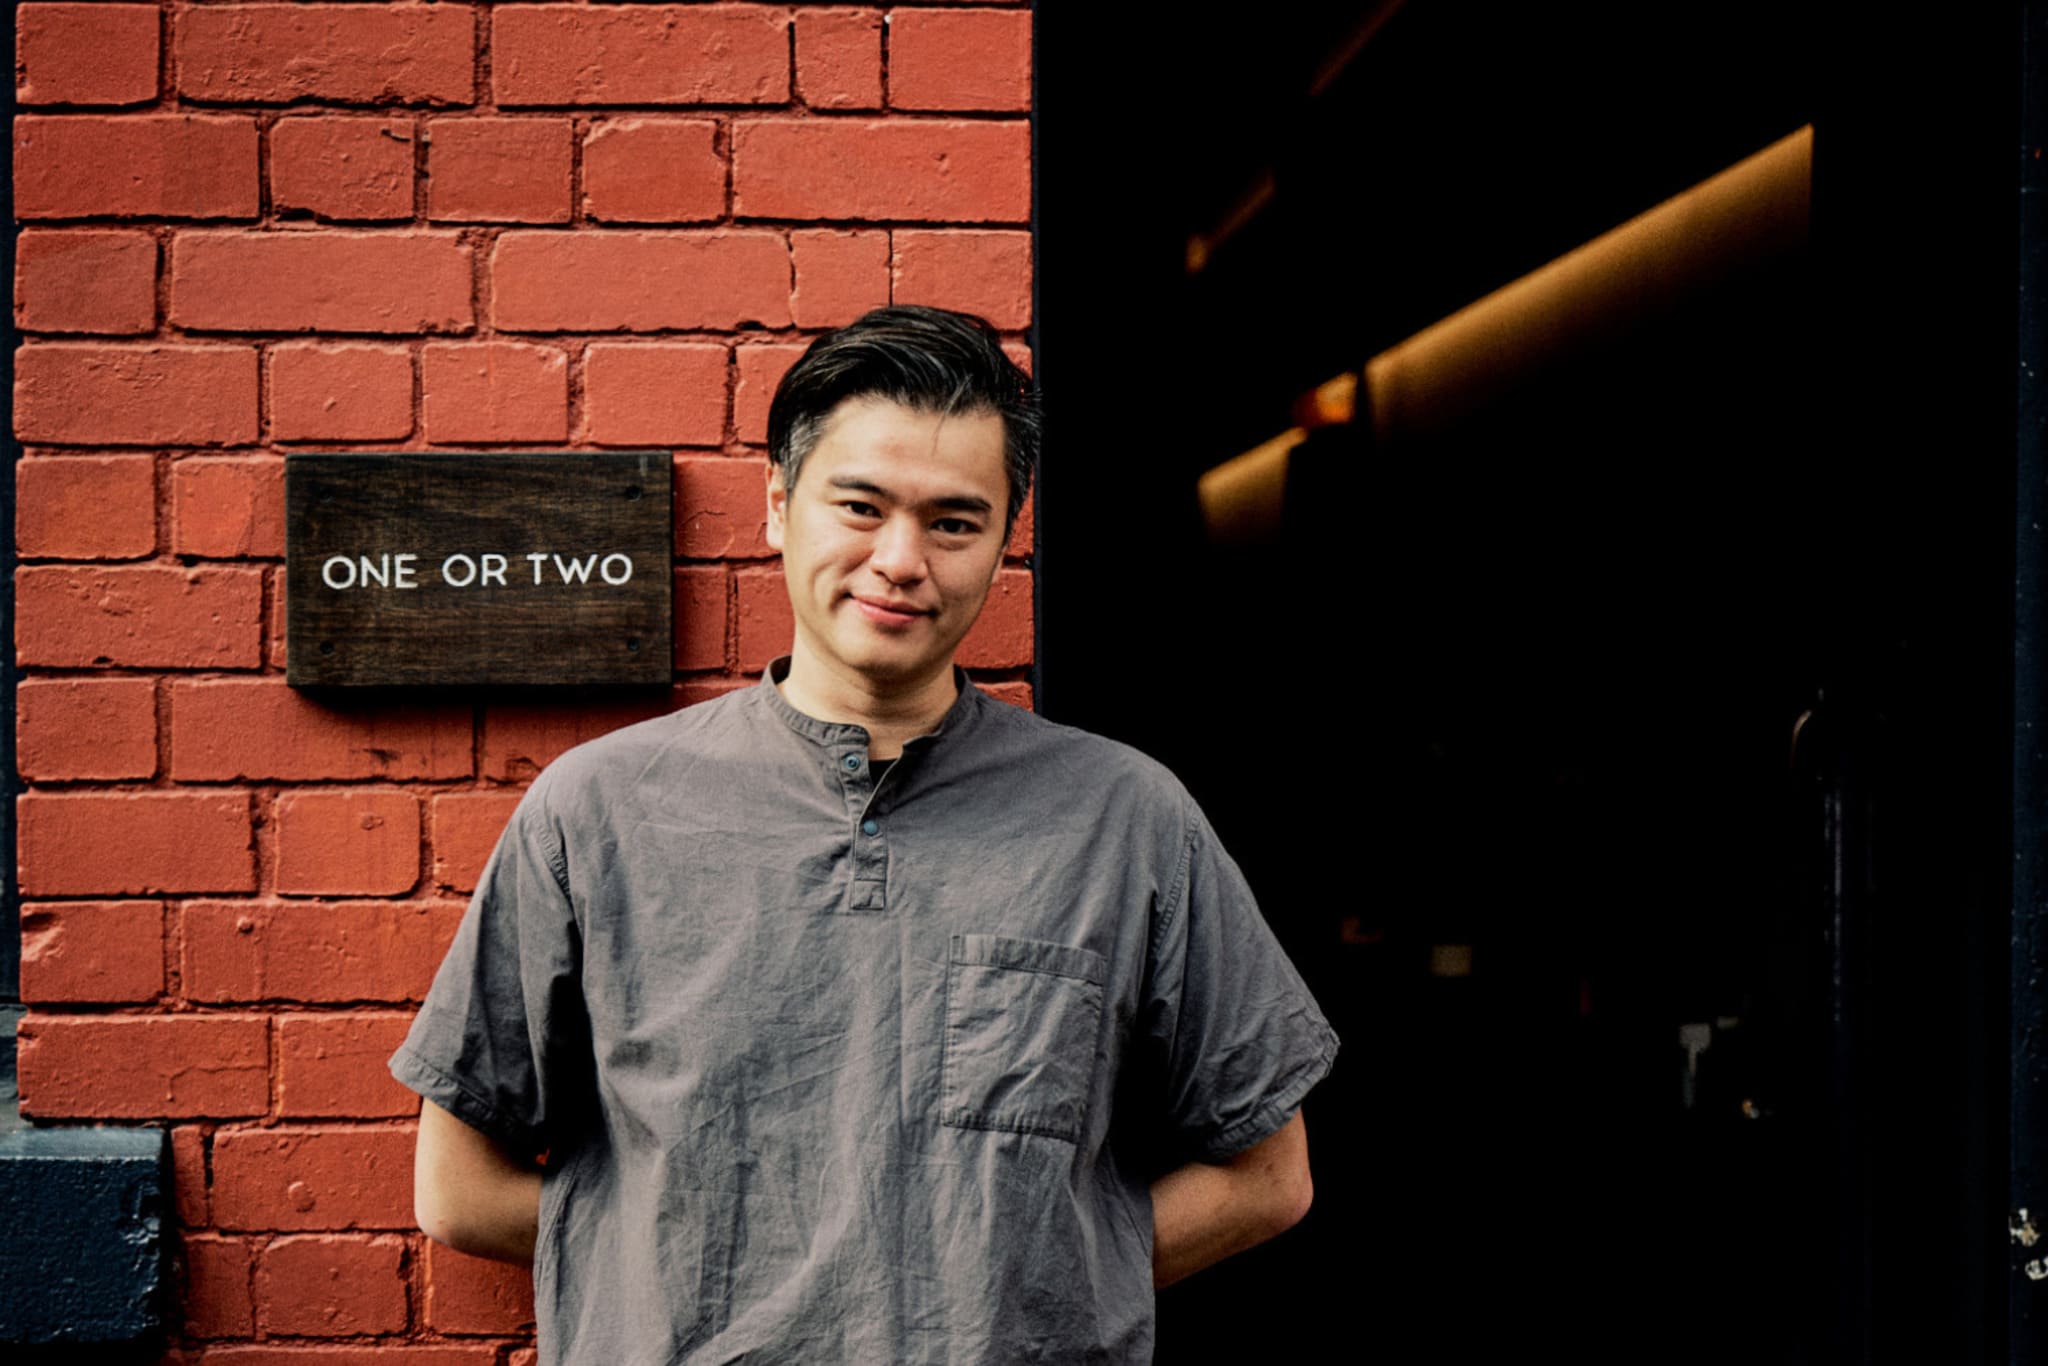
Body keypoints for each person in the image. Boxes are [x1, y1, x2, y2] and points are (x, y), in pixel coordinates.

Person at [391, 305, 1338, 1365]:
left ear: (1001, 542)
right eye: (860, 505)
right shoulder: (596, 810)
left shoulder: (1124, 818)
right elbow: (457, 1186)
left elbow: (1266, 1176)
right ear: (778, 507)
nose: (900, 558)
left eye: (952, 521)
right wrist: (691, 1266)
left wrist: (1034, 1285)